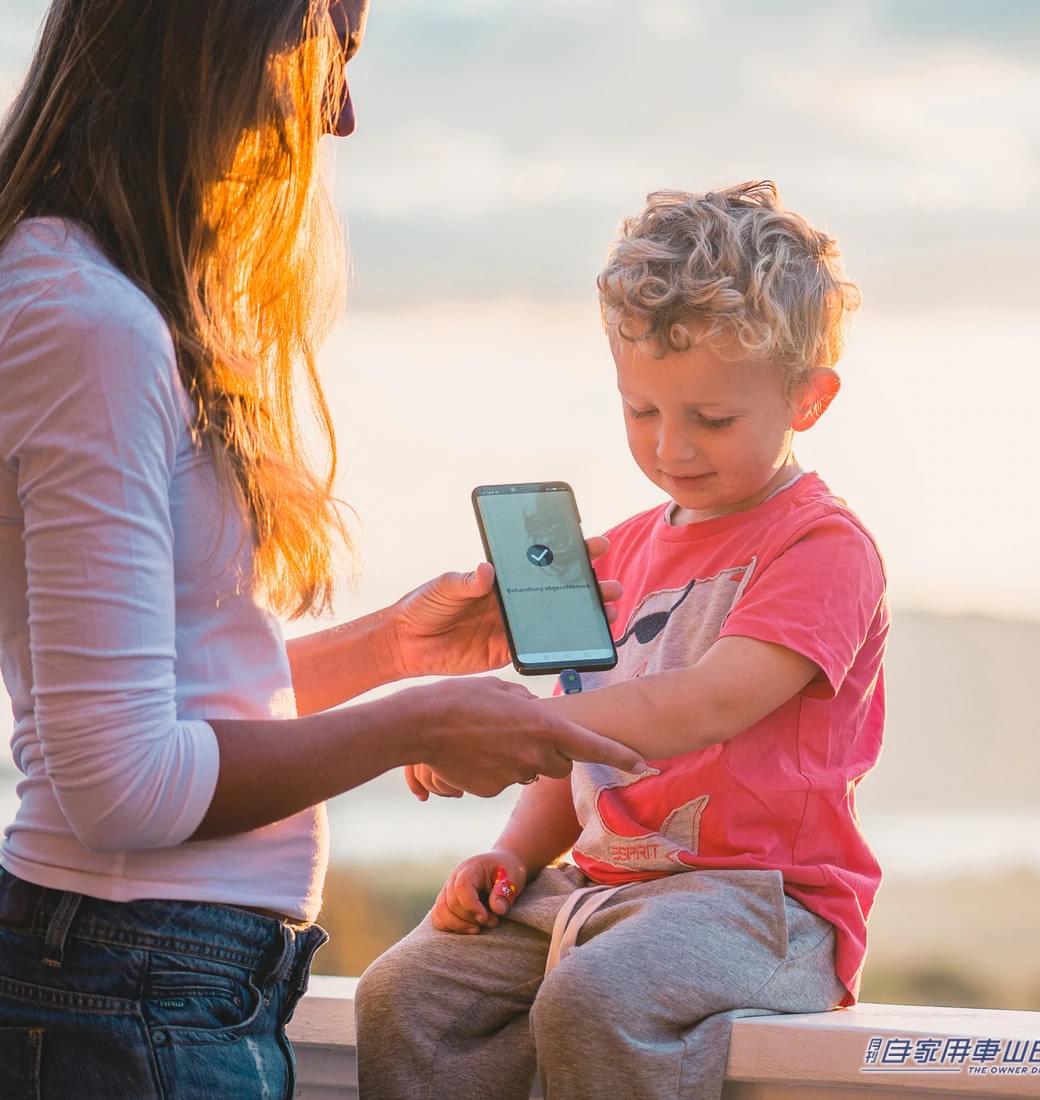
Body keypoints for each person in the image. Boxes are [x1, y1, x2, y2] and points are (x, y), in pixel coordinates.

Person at [0, 3, 646, 1097]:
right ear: (216, 31)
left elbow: (162, 708)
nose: (339, 114)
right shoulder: (87, 323)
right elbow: (120, 782)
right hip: (131, 987)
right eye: (332, 50)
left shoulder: (101, 301)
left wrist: (395, 647)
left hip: (159, 983)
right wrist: (418, 724)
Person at [356, 181, 889, 1100]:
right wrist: (515, 854)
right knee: (407, 993)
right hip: (595, 891)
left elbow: (704, 704)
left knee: (597, 997)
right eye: (642, 411)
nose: (671, 446)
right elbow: (585, 750)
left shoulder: (821, 547)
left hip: (762, 906)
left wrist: (504, 728)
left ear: (809, 398)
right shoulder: (629, 550)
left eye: (711, 419)